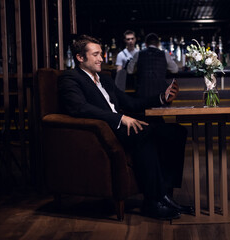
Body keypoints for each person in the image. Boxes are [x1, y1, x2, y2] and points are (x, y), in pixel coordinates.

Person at [58, 34, 193, 220]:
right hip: (105, 130)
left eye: (101, 54)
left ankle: (164, 196)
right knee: (144, 133)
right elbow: (79, 107)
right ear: (80, 58)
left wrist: (162, 97)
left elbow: (130, 103)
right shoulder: (70, 78)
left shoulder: (104, 79)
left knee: (176, 132)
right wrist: (120, 118)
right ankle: (153, 201)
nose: (101, 58)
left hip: (122, 125)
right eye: (96, 54)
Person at [127, 32, 178, 98]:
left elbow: (129, 71)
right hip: (160, 94)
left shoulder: (138, 54)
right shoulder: (164, 54)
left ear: (145, 44)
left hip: (142, 93)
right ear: (158, 44)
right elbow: (175, 70)